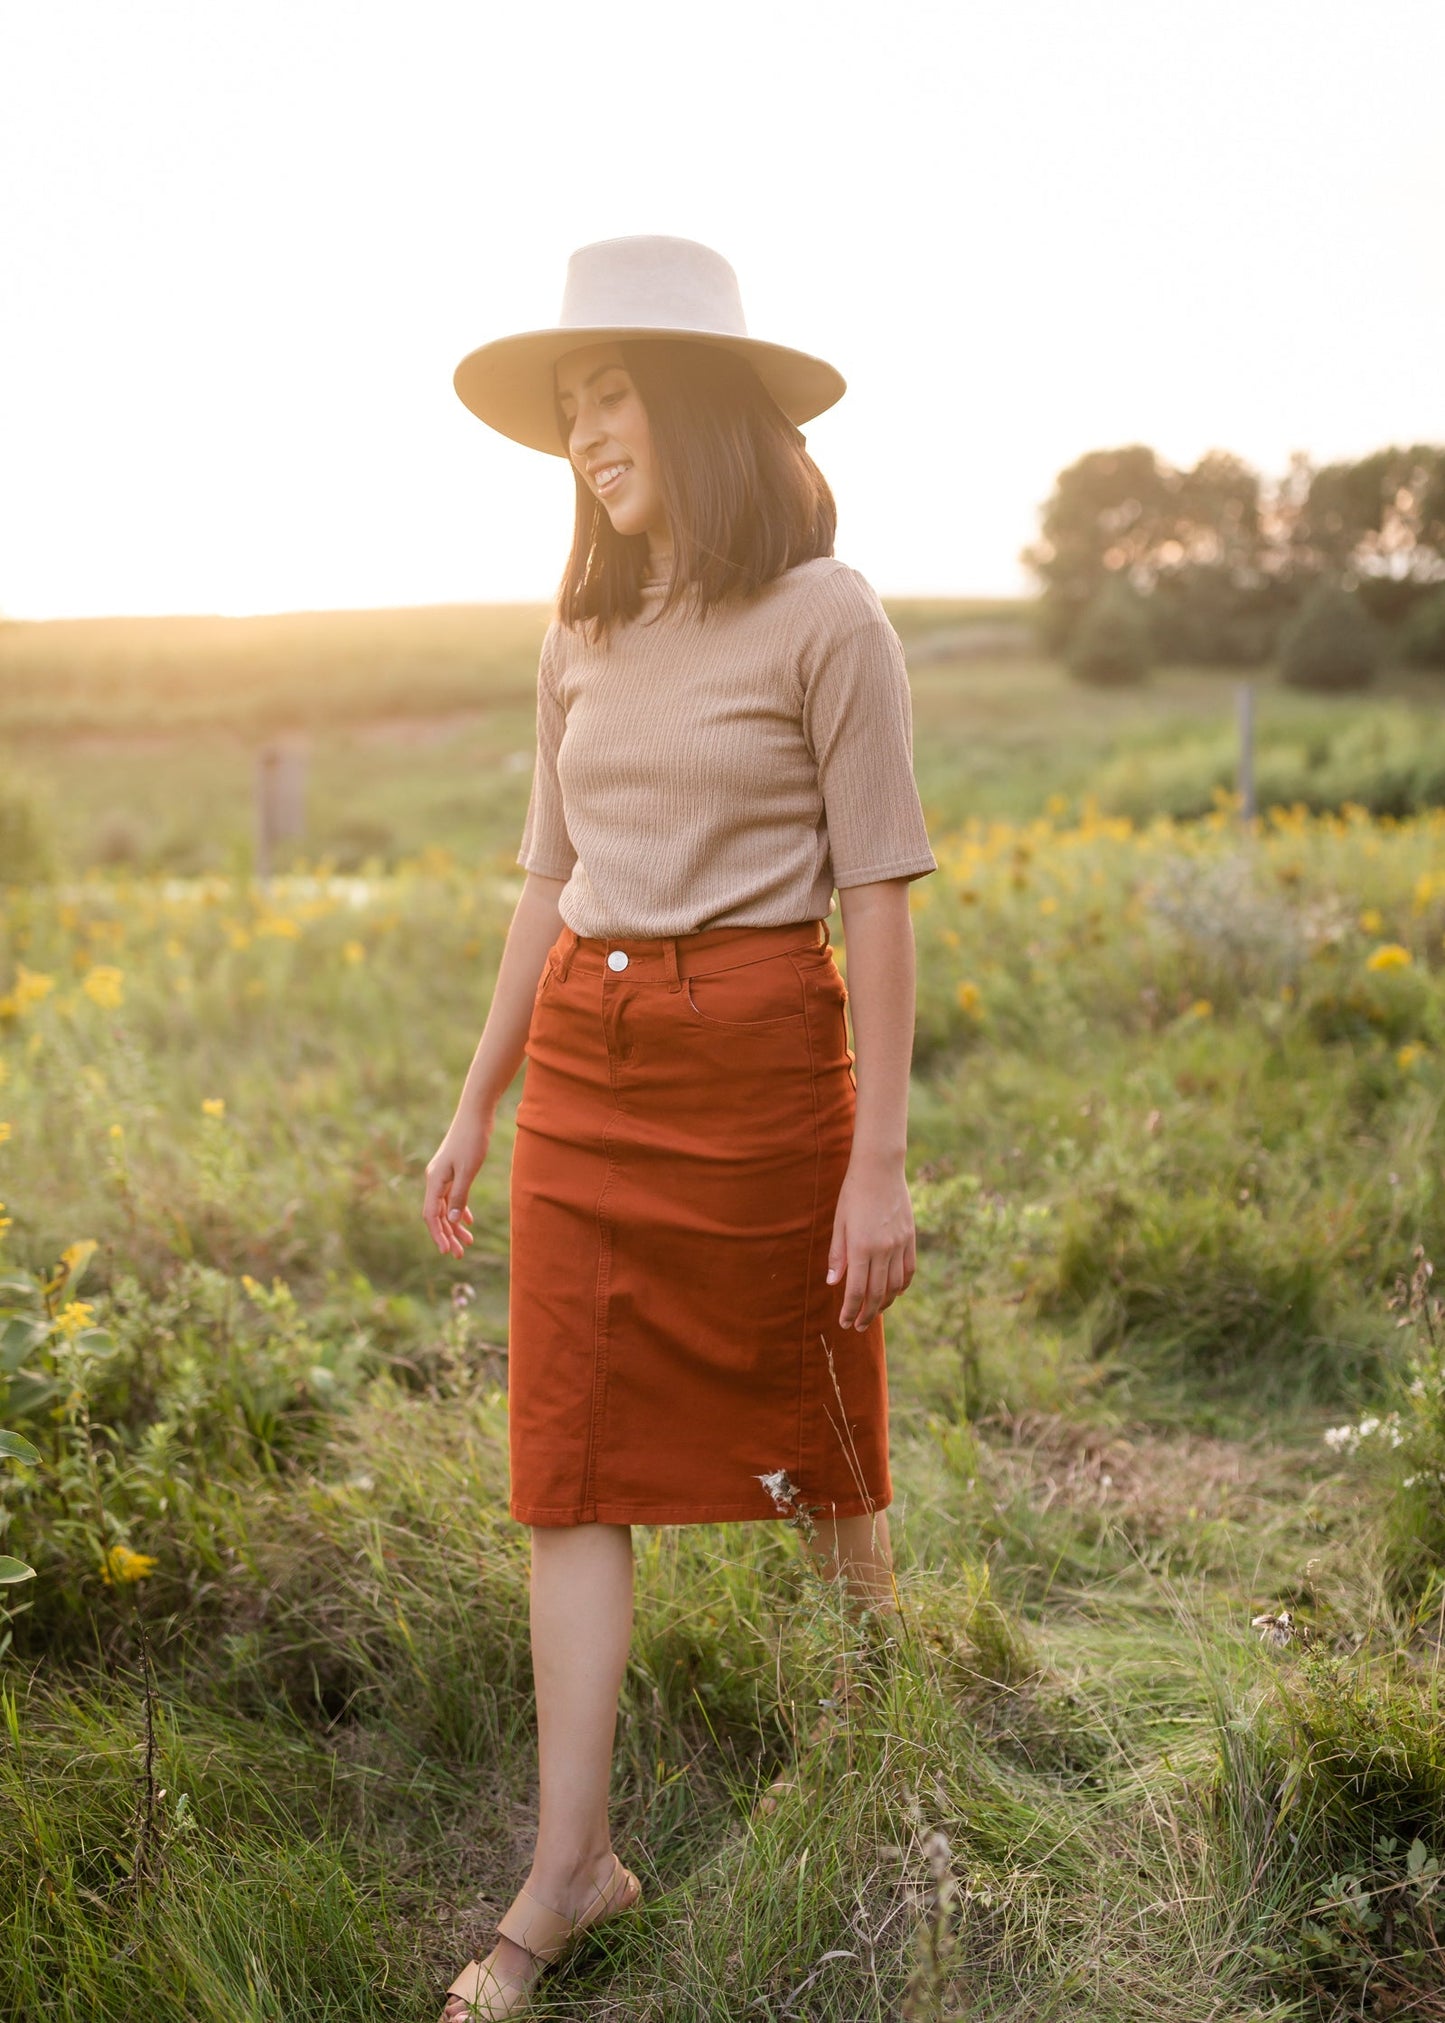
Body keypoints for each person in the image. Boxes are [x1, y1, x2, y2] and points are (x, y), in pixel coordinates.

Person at [424, 234, 937, 2021]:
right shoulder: (578, 630)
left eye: (614, 394)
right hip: (584, 1058)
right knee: (566, 1456)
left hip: (761, 1055)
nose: (588, 434)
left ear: (704, 407)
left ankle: (892, 1729)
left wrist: (875, 1159)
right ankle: (573, 1863)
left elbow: (876, 891)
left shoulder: (828, 616)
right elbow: (544, 881)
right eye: (572, 409)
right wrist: (478, 1100)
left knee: (815, 1402)